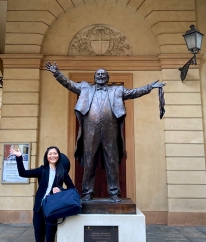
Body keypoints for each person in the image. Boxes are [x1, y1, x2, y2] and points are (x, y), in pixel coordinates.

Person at [45, 62, 165, 202]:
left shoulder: (117, 90)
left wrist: (150, 87)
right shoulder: (85, 88)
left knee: (111, 160)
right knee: (89, 161)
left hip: (111, 129)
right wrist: (57, 73)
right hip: (91, 129)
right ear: (94, 77)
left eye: (103, 74)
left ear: (107, 78)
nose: (101, 76)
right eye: (98, 74)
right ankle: (88, 192)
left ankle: (114, 192)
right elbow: (69, 84)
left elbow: (134, 92)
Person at [10, 146, 75, 242]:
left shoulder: (62, 172)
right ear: (47, 156)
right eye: (50, 154)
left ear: (58, 156)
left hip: (52, 211)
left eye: (55, 153)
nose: (53, 155)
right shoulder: (42, 170)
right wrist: (19, 157)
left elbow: (72, 188)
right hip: (39, 210)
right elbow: (23, 173)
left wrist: (61, 189)